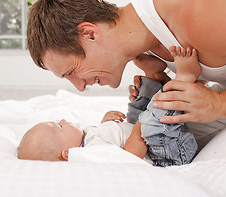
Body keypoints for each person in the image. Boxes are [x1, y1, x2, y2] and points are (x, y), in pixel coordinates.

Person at [27, 0, 226, 147]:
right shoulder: (146, 47)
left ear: (89, 33)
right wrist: (177, 89)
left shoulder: (193, 11)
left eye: (71, 72)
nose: (79, 86)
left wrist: (223, 103)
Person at [18, 47, 199, 166]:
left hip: (157, 141)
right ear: (67, 153)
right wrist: (139, 131)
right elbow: (129, 157)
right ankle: (185, 78)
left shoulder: (86, 139)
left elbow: (108, 138)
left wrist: (106, 123)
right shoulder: (90, 155)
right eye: (59, 126)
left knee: (136, 111)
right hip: (170, 153)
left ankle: (152, 75)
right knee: (149, 121)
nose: (64, 120)